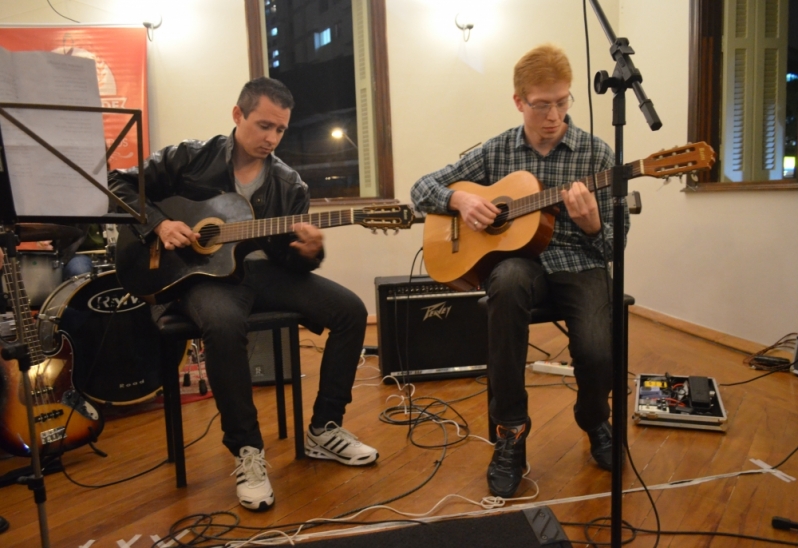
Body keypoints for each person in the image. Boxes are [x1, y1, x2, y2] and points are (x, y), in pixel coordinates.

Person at [108, 77, 378, 512]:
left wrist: (311, 252)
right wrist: (159, 225)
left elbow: (289, 261)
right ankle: (248, 451)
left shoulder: (290, 186)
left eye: (281, 130)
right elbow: (117, 186)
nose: (271, 139)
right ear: (238, 115)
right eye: (263, 126)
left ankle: (325, 428)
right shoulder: (189, 157)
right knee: (223, 323)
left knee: (351, 310)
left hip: (262, 276)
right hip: (200, 277)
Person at [411, 44, 630, 498]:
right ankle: (510, 433)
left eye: (562, 102)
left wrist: (592, 225)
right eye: (541, 104)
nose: (554, 115)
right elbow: (421, 187)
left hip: (579, 261)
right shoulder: (496, 151)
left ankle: (594, 418)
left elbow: (615, 242)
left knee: (595, 348)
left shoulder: (596, 154)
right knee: (506, 285)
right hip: (518, 264)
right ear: (519, 102)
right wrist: (461, 200)